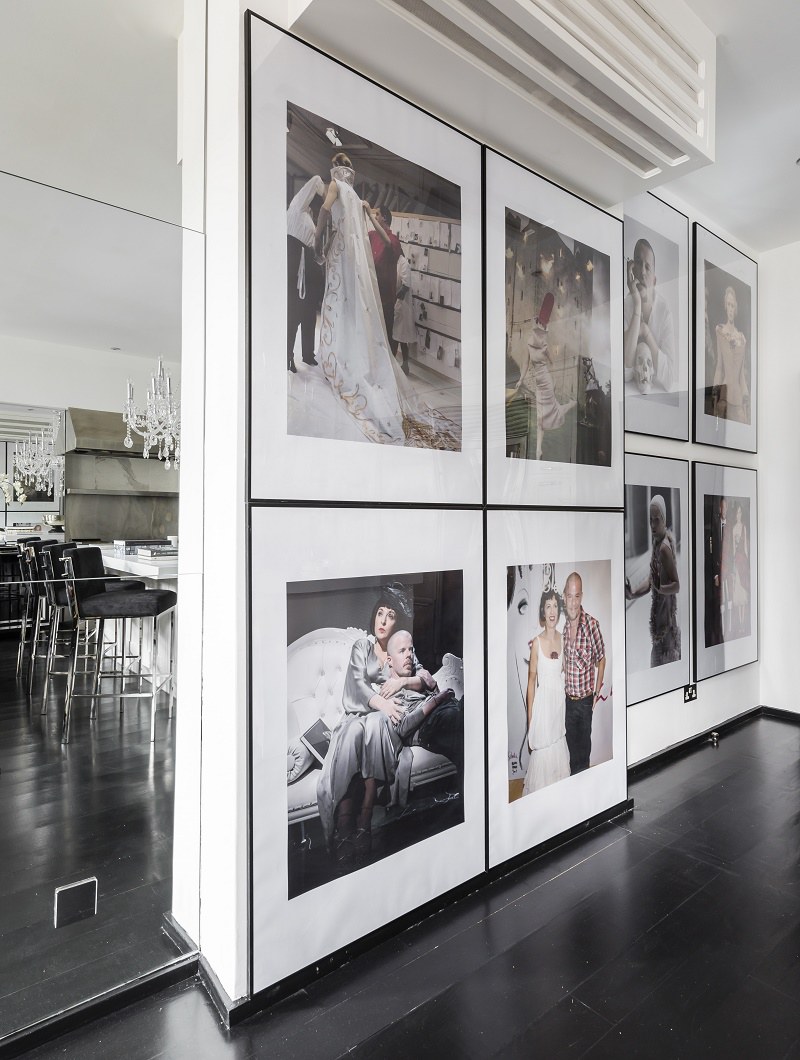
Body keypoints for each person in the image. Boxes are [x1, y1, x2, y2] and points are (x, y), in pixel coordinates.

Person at [312, 152, 458, 449]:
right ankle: (349, 360)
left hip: (346, 259)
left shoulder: (337, 187)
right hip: (356, 263)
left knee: (343, 308)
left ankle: (342, 363)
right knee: (352, 314)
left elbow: (326, 212)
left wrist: (319, 242)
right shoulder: (355, 195)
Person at [316, 585, 461, 867]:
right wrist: (383, 703)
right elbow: (356, 685)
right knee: (358, 730)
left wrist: (401, 682)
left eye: (390, 615)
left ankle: (364, 822)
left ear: (397, 623)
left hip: (386, 720)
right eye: (379, 613)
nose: (382, 620)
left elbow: (421, 677)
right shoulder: (363, 646)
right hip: (360, 713)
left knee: (376, 726)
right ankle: (345, 826)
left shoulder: (398, 648)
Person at [509, 294, 576, 460]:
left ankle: (570, 405)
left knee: (553, 411)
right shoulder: (530, 345)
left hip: (545, 381)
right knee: (540, 418)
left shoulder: (543, 345)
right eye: (539, 329)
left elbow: (551, 361)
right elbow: (525, 364)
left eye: (542, 330)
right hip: (539, 384)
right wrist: (521, 379)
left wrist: (552, 365)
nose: (540, 334)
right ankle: (538, 450)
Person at [522, 588, 570, 794]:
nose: (552, 611)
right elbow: (531, 683)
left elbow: (564, 675)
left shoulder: (564, 639)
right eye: (548, 606)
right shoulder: (536, 643)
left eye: (555, 606)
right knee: (542, 758)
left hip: (558, 710)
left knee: (558, 756)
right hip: (542, 712)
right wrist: (531, 722)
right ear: (543, 611)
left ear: (559, 611)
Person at [625, 495, 681, 667]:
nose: (653, 525)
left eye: (657, 520)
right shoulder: (657, 545)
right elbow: (651, 582)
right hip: (661, 629)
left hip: (667, 633)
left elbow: (676, 585)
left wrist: (660, 588)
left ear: (664, 520)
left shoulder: (664, 548)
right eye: (651, 520)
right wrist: (633, 593)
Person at [562, 572, 606, 775]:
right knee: (571, 756)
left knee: (583, 756)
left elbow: (601, 658)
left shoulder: (592, 625)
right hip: (568, 702)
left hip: (585, 702)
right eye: (569, 596)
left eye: (577, 596)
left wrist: (596, 694)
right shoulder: (561, 629)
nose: (573, 602)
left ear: (582, 596)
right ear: (564, 596)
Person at [623, 238, 676, 394]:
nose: (642, 271)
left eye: (648, 267)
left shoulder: (664, 312)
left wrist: (645, 332)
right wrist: (637, 305)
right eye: (638, 263)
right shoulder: (626, 305)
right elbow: (626, 373)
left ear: (654, 280)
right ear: (631, 269)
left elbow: (669, 380)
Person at [286, 175, 326, 373]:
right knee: (293, 313)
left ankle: (308, 355)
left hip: (308, 265)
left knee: (309, 314)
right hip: (295, 265)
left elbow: (314, 249)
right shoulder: (296, 208)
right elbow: (316, 180)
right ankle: (287, 357)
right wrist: (326, 192)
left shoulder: (308, 216)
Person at [713, 285, 749, 423]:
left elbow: (742, 376)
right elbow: (719, 367)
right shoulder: (720, 332)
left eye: (733, 305)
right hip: (724, 398)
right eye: (728, 305)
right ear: (725, 306)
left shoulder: (742, 338)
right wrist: (714, 394)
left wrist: (746, 396)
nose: (730, 309)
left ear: (736, 308)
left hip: (738, 400)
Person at [367, 205, 402, 344]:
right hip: (372, 295)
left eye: (377, 215)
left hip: (385, 298)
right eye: (374, 215)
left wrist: (369, 215)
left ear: (385, 218)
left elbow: (387, 242)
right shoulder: (372, 235)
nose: (375, 217)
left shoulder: (393, 239)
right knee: (372, 336)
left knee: (386, 337)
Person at [392, 252, 416, 374]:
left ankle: (398, 366)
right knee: (397, 337)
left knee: (399, 337)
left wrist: (393, 298)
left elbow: (405, 287)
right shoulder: (394, 261)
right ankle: (398, 366)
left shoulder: (404, 263)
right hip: (396, 305)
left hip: (401, 305)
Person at [731, 503, 749, 634]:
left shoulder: (744, 528)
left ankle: (743, 622)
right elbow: (732, 549)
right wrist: (733, 564)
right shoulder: (733, 529)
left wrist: (748, 563)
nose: (739, 515)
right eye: (737, 512)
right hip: (737, 560)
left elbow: (746, 547)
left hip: (743, 560)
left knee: (743, 591)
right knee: (738, 591)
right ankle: (739, 622)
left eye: (740, 513)